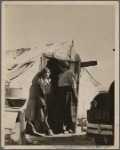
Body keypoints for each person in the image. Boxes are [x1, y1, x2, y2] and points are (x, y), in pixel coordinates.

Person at [25, 67, 54, 136]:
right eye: (46, 73)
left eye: (49, 73)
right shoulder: (39, 81)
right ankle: (47, 130)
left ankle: (45, 129)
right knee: (42, 115)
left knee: (43, 114)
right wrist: (41, 100)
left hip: (44, 98)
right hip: (39, 99)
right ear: (43, 73)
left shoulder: (47, 80)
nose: (48, 74)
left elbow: (47, 90)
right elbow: (38, 92)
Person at [54, 60, 78, 134]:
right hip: (61, 92)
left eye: (60, 66)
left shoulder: (70, 72)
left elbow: (73, 84)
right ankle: (61, 127)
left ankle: (69, 127)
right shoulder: (62, 74)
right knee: (61, 109)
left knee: (67, 109)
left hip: (66, 91)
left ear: (63, 66)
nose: (59, 67)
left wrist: (75, 94)